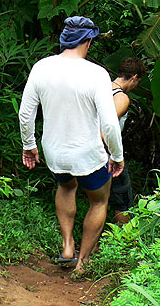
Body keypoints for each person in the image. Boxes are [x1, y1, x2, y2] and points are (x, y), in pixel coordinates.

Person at [19, 15, 124, 277]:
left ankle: (67, 246)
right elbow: (110, 124)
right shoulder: (97, 74)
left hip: (55, 152)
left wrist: (29, 145)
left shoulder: (41, 67)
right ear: (88, 42)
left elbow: (25, 113)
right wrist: (117, 155)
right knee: (99, 201)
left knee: (66, 186)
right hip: (87, 154)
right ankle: (83, 262)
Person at [109, 57, 146, 225]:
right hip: (107, 153)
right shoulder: (120, 98)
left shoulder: (100, 88)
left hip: (84, 149)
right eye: (137, 81)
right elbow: (107, 127)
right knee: (122, 200)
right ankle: (122, 242)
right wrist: (116, 156)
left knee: (97, 200)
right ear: (134, 77)